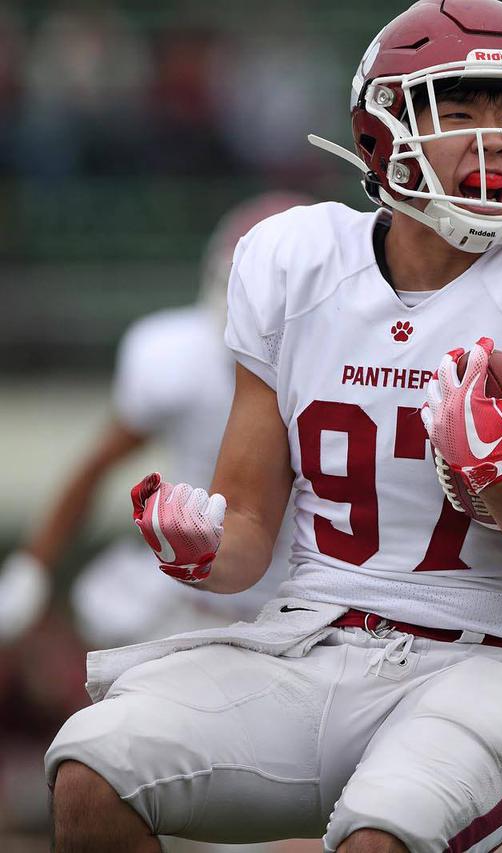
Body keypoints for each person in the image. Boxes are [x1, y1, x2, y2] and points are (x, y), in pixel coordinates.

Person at [44, 2, 502, 852]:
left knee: (381, 835)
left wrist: (500, 480)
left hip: (492, 654)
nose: (497, 139)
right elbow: (250, 533)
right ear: (381, 130)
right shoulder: (294, 263)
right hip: (313, 633)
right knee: (89, 772)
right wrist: (201, 546)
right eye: (461, 109)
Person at [0, 193, 305, 652]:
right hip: (195, 593)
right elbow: (97, 466)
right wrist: (34, 566)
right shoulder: (176, 360)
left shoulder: (357, 370)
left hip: (305, 601)